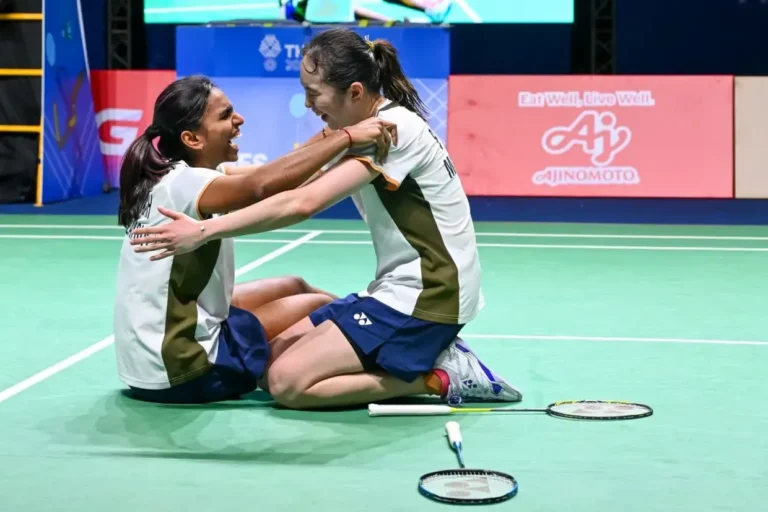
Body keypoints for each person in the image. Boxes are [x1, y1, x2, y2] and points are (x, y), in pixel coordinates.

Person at [130, 28, 522, 409]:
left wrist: (204, 230)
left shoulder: (390, 131)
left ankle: (441, 375)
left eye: (313, 93)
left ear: (354, 92)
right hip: (396, 288)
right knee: (267, 364)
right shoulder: (360, 126)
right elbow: (278, 177)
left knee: (287, 384)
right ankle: (399, 351)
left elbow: (303, 202)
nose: (307, 104)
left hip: (428, 294)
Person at [114, 73, 398, 404]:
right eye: (225, 116)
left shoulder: (176, 176)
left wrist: (335, 129)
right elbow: (260, 186)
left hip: (148, 357)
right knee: (316, 307)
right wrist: (347, 137)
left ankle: (377, 329)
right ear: (192, 139)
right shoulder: (187, 185)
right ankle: (396, 352)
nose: (239, 119)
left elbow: (278, 174)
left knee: (294, 285)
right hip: (184, 367)